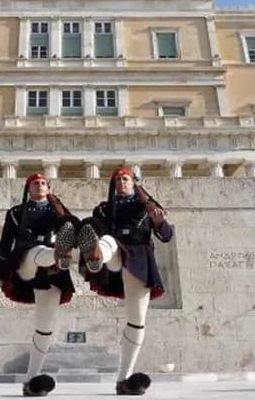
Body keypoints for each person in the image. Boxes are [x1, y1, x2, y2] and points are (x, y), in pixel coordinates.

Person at [76, 167, 174, 396]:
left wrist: (159, 223)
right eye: (118, 179)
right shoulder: (103, 208)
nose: (121, 182)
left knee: (137, 321)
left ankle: (124, 380)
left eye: (126, 179)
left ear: (133, 182)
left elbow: (167, 236)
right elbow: (97, 227)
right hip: (115, 253)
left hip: (139, 259)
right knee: (108, 241)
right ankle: (95, 254)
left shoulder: (147, 206)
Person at [0, 172, 79, 397]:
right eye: (35, 183)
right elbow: (4, 243)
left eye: (43, 183)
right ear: (28, 189)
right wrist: (0, 275)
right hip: (26, 260)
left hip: (52, 271)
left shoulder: (57, 210)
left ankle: (31, 382)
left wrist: (60, 208)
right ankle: (59, 253)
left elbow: (77, 230)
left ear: (49, 188)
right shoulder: (16, 213)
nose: (40, 186)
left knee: (44, 327)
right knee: (39, 253)